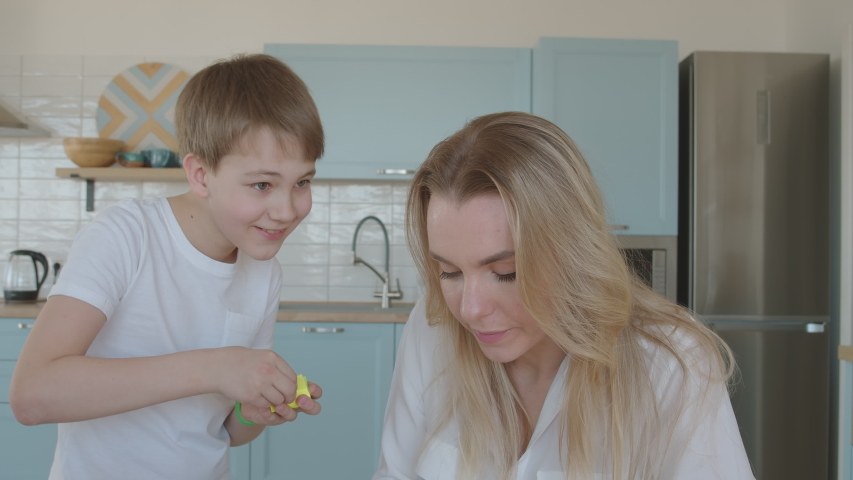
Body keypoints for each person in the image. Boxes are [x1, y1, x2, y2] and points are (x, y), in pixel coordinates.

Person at [373, 112, 754, 480]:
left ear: (573, 253)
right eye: (449, 272)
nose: (470, 310)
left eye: (507, 273)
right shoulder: (432, 327)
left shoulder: (668, 360)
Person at [9, 54, 324, 479]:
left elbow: (228, 431)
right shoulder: (126, 235)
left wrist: (252, 412)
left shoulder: (263, 271)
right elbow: (31, 395)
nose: (286, 211)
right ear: (200, 174)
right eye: (262, 184)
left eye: (302, 181)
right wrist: (213, 367)